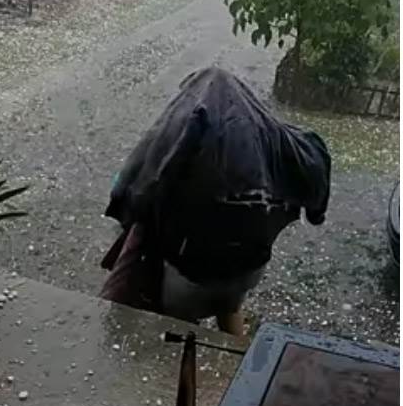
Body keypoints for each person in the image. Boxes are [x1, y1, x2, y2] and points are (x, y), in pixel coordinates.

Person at [99, 65, 332, 335]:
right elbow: (315, 161)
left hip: (192, 274)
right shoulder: (271, 136)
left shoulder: (181, 132)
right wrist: (314, 214)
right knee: (230, 307)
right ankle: (238, 360)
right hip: (248, 268)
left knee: (180, 332)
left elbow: (134, 187)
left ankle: (181, 359)